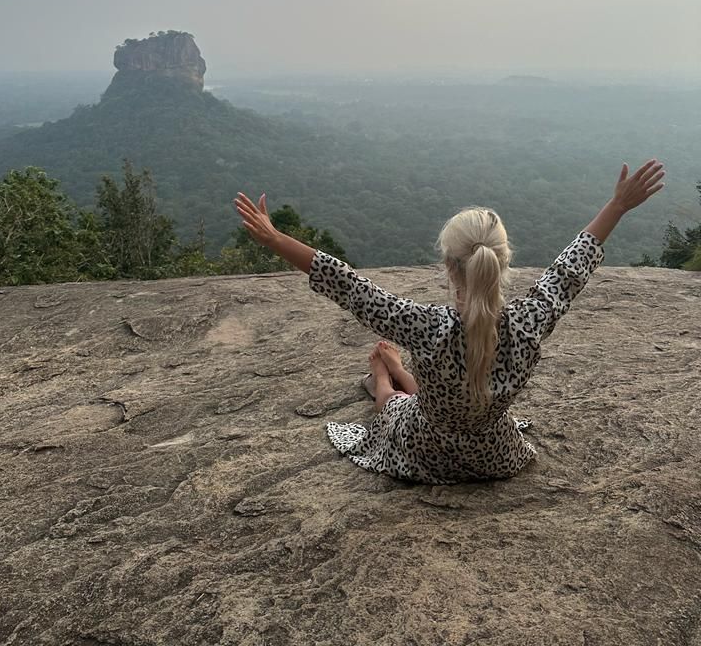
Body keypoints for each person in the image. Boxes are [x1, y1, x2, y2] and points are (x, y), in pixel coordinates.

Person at [234, 159, 665, 484]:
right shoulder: (529, 322)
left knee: (392, 405)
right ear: (503, 263)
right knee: (447, 400)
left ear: (448, 266)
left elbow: (350, 287)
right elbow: (571, 269)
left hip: (427, 451)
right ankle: (398, 369)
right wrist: (618, 205)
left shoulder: (427, 327)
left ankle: (384, 376)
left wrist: (275, 238)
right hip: (497, 453)